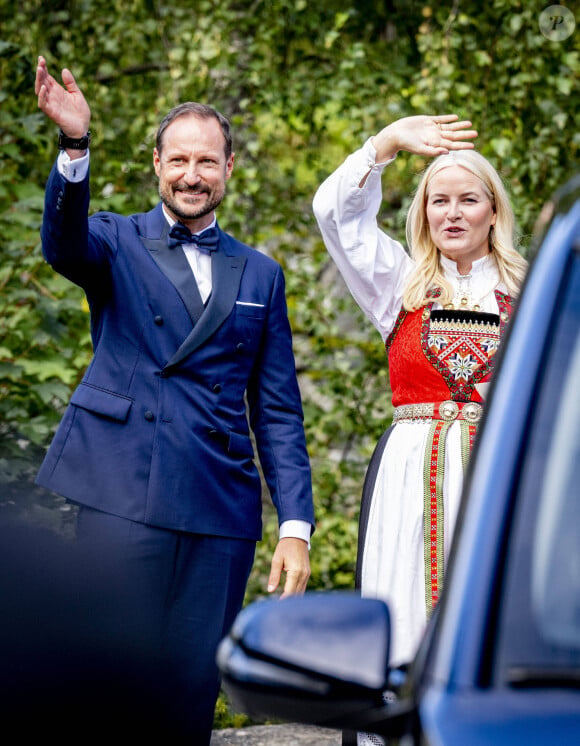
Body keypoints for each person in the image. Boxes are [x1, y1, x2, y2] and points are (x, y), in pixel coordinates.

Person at [34, 55, 315, 743]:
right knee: (110, 676)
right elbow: (61, 244)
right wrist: (75, 148)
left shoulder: (261, 272)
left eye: (208, 161)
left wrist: (296, 526)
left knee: (191, 686)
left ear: (228, 170)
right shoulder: (114, 239)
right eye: (179, 160)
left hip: (219, 501)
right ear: (156, 165)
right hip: (123, 488)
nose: (193, 175)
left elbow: (276, 407)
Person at [313, 115, 527, 743]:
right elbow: (334, 212)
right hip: (411, 477)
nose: (452, 213)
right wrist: (388, 143)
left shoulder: (526, 287)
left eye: (469, 200)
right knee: (403, 601)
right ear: (424, 212)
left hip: (499, 473)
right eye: (439, 200)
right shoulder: (399, 283)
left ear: (494, 211)